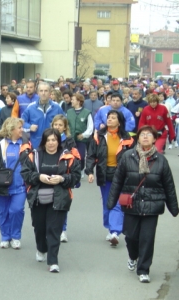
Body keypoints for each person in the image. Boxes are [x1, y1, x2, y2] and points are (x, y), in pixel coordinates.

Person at [107, 125, 178, 283]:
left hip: (152, 206)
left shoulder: (161, 161)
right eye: (142, 134)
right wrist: (111, 202)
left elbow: (169, 186)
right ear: (138, 138)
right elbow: (118, 180)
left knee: (147, 238)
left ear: (154, 139)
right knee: (131, 237)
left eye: (149, 134)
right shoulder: (127, 156)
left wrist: (174, 208)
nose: (145, 137)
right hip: (132, 205)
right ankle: (133, 256)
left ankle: (144, 269)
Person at [20, 128, 81, 273]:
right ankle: (41, 248)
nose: (51, 143)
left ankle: (53, 261)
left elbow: (76, 177)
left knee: (54, 229)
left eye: (54, 140)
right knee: (39, 227)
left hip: (59, 197)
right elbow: (25, 173)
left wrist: (62, 178)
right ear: (44, 141)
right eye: (48, 140)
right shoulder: (34, 155)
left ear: (58, 141)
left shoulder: (67, 156)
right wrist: (38, 177)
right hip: (38, 197)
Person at [86, 110, 134, 246]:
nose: (110, 120)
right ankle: (109, 226)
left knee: (118, 203)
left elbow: (133, 157)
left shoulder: (127, 138)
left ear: (119, 121)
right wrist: (89, 171)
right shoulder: (99, 136)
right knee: (108, 202)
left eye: (113, 118)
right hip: (104, 173)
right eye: (109, 117)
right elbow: (91, 155)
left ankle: (115, 231)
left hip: (122, 175)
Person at [0, 118, 32, 249]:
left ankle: (15, 236)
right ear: (11, 129)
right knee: (3, 212)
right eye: (19, 128)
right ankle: (5, 236)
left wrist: (29, 178)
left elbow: (32, 163)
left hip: (20, 186)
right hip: (2, 186)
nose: (21, 130)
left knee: (16, 210)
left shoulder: (26, 144)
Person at [22, 83, 65, 149]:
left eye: (46, 91)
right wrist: (29, 127)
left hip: (52, 144)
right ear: (38, 93)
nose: (43, 93)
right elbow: (22, 122)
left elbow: (64, 123)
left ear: (50, 93)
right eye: (41, 91)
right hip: (36, 143)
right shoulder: (31, 107)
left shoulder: (56, 107)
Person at [67, 93, 93, 176]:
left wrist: (84, 135)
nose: (71, 101)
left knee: (81, 156)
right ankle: (72, 170)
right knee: (71, 155)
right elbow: (66, 124)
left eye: (73, 99)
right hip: (70, 138)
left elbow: (90, 127)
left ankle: (81, 169)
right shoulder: (69, 112)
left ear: (78, 101)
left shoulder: (87, 113)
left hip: (81, 139)